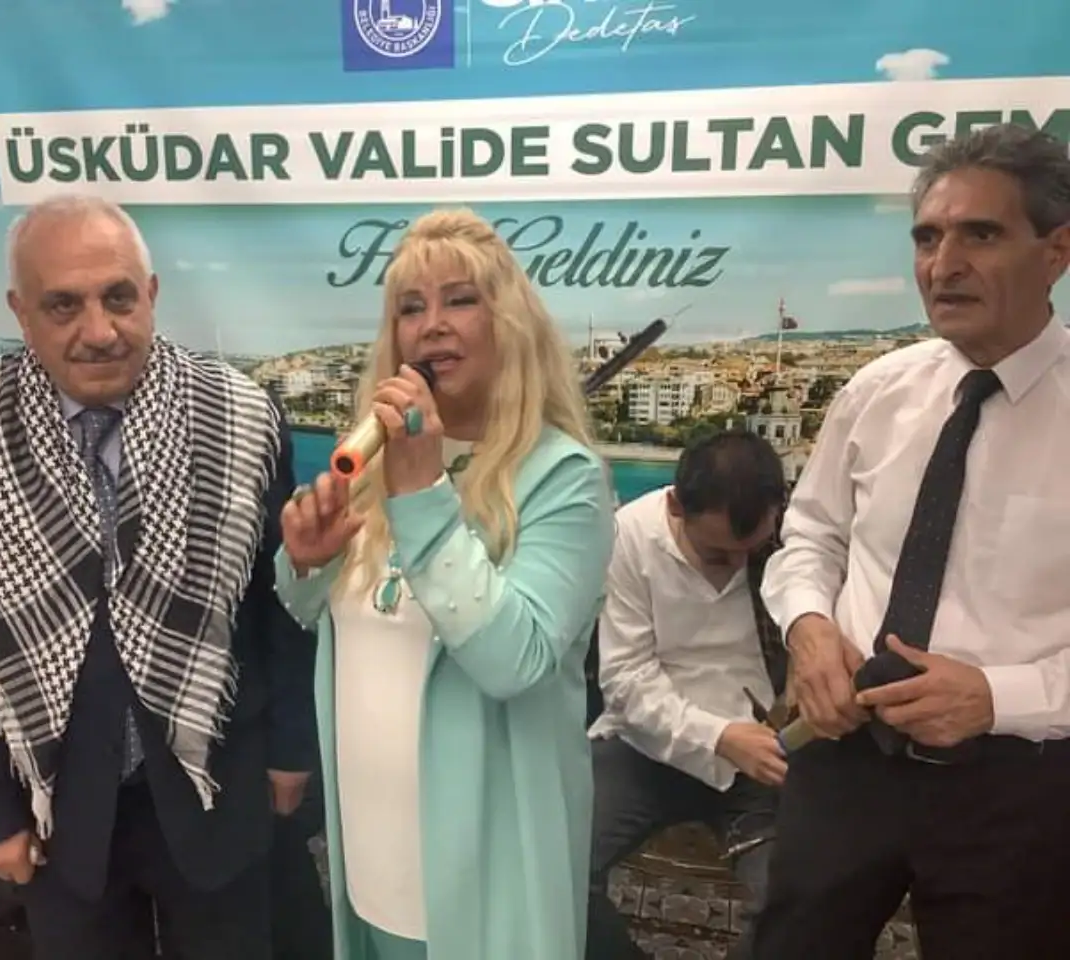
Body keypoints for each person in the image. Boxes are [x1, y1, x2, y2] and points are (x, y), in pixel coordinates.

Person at [0, 195, 317, 960]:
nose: (99, 331)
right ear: (21, 313)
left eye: (118, 298)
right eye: (63, 305)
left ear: (151, 294)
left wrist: (293, 746)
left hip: (219, 782)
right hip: (57, 810)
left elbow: (279, 598)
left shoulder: (238, 416)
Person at [754, 122, 1070, 960]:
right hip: (845, 757)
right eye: (928, 238)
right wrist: (808, 628)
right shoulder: (877, 392)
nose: (944, 264)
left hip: (1017, 786)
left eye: (981, 235)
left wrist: (1000, 696)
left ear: (1057, 251)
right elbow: (809, 537)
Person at [275, 208, 615, 960]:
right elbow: (322, 615)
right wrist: (306, 563)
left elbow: (515, 660)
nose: (432, 326)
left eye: (460, 300)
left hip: (488, 875)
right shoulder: (375, 460)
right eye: (410, 308)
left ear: (509, 323)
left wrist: (425, 492)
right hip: (371, 859)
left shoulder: (565, 479)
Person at [587, 431, 787, 960]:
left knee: (796, 898)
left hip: (766, 746)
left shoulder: (791, 540)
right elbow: (625, 679)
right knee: (551, 862)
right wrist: (719, 736)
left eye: (749, 551)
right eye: (717, 553)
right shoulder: (629, 535)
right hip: (644, 744)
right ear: (676, 506)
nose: (736, 566)